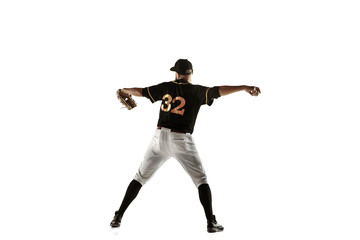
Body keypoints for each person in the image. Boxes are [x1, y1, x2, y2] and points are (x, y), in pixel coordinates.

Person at [110, 59, 261, 233]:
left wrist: (123, 90)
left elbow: (141, 91)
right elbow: (218, 91)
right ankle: (211, 222)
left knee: (139, 177)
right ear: (191, 73)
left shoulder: (166, 87)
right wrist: (243, 87)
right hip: (181, 140)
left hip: (158, 138)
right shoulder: (196, 91)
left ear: (176, 73)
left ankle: (118, 216)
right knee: (201, 180)